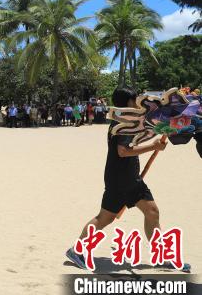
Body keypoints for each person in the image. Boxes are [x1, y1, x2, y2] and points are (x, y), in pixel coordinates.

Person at [65, 87, 191, 272]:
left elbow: (135, 141)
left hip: (127, 178)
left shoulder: (130, 122)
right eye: (135, 99)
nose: (138, 102)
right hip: (121, 179)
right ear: (129, 102)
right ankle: (77, 251)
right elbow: (123, 151)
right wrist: (152, 146)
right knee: (105, 218)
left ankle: (162, 256)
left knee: (151, 212)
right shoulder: (122, 125)